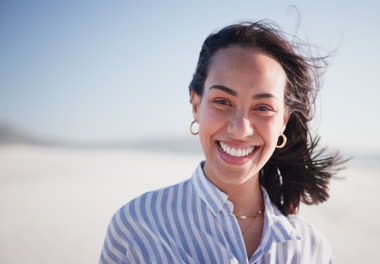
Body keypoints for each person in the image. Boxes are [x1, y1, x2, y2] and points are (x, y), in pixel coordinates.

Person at [99, 20, 344, 264]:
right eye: (223, 101)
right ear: (196, 105)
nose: (240, 129)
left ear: (283, 122)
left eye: (263, 107)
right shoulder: (137, 227)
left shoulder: (312, 250)